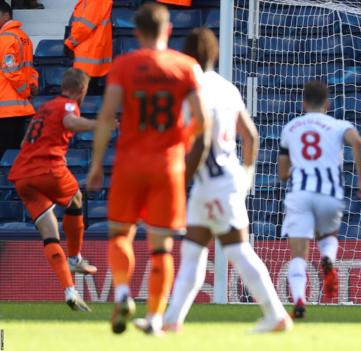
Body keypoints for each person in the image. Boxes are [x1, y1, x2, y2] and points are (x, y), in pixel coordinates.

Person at [85, 3, 210, 335]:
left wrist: (96, 164)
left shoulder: (124, 66)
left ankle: (123, 292)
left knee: (119, 233)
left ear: (137, 32)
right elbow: (202, 123)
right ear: (168, 30)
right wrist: (184, 151)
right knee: (161, 248)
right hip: (167, 166)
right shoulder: (187, 68)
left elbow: (108, 115)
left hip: (129, 163)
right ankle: (155, 318)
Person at [163, 28, 292, 333]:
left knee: (234, 250)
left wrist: (179, 183)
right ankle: (171, 322)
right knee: (194, 251)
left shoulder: (190, 90)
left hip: (210, 182)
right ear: (214, 54)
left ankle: (276, 315)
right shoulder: (227, 88)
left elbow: (200, 141)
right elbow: (251, 136)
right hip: (225, 178)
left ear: (185, 55)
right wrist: (246, 175)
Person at [278, 80, 361, 318]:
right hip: (330, 193)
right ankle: (328, 258)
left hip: (300, 192)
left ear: (303, 104)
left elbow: (282, 172)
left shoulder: (291, 127)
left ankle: (299, 300)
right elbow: (358, 143)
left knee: (298, 254)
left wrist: (292, 171)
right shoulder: (339, 125)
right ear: (327, 104)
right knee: (327, 237)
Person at [8, 68, 97, 312]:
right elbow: (71, 121)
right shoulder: (68, 105)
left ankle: (70, 291)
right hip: (46, 168)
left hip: (22, 177)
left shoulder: (45, 108)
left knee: (50, 234)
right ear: (81, 90)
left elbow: (28, 140)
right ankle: (75, 257)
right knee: (76, 197)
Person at [0, 1, 38, 158]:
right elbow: (31, 70)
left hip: (6, 108)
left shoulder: (5, 38)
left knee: (5, 155)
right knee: (15, 154)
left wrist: (24, 90)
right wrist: (30, 89)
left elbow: (11, 70)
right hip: (20, 106)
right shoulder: (24, 37)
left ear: (6, 14)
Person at [64, 0, 112, 92]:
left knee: (85, 95)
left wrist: (69, 43)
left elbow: (84, 26)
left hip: (88, 54)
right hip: (88, 53)